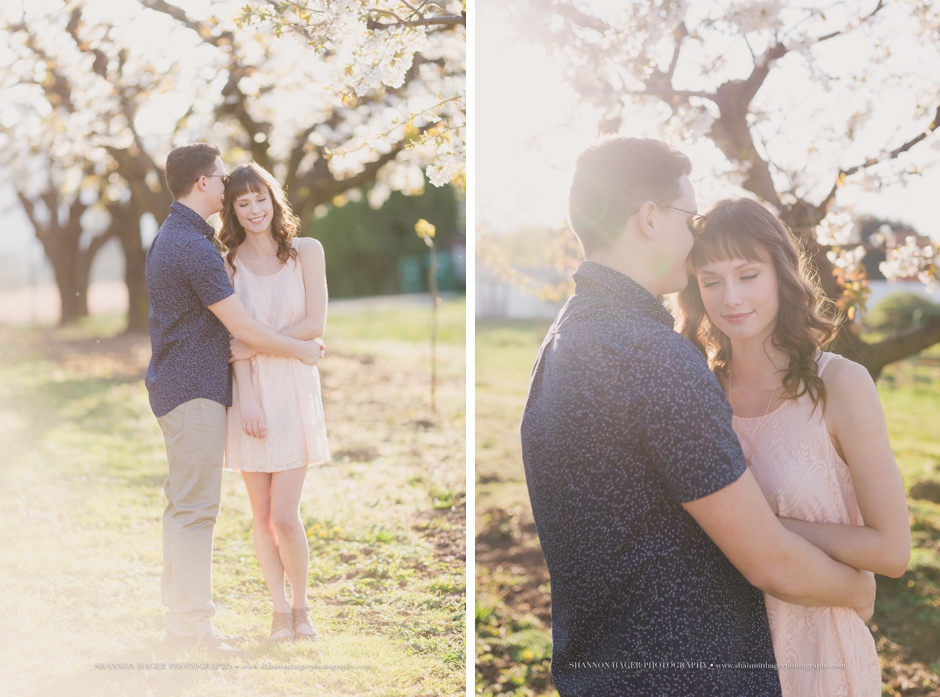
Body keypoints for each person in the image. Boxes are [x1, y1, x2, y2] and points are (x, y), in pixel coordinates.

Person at [519, 136, 876, 696]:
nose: (695, 236)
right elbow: (769, 562)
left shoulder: (570, 335)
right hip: (686, 676)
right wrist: (856, 591)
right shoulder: (650, 354)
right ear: (650, 217)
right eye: (688, 217)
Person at [676, 198, 910, 696]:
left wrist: (757, 528)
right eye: (711, 280)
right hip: (718, 658)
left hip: (820, 653)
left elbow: (891, 550)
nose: (731, 297)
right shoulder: (697, 389)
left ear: (781, 273)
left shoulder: (842, 384)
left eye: (748, 274)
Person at [146, 143, 324, 656]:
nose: (230, 191)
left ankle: (183, 618)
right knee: (195, 510)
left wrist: (285, 348)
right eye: (223, 181)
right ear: (203, 183)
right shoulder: (195, 247)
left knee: (184, 507)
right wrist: (302, 349)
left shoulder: (179, 236)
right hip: (194, 388)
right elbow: (241, 328)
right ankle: (191, 626)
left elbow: (249, 333)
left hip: (187, 386)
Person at [219, 162, 330, 643]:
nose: (254, 210)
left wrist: (258, 343)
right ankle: (279, 611)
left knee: (286, 514)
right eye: (242, 203)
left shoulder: (307, 252)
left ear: (273, 198)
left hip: (293, 393)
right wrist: (247, 399)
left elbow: (314, 323)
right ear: (233, 210)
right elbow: (232, 342)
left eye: (260, 198)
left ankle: (303, 607)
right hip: (250, 399)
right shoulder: (228, 263)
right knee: (260, 514)